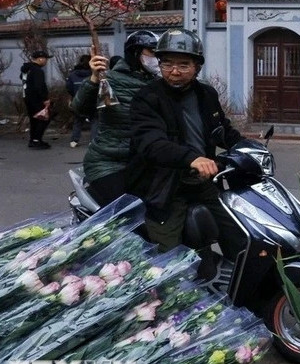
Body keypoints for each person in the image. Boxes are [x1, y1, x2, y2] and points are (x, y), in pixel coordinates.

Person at [127, 28, 246, 264]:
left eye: (183, 65)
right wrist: (191, 158)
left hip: (202, 181)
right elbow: (151, 142)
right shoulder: (147, 97)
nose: (174, 71)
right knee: (168, 260)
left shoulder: (206, 94)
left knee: (239, 236)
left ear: (197, 67)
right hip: (164, 186)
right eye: (167, 64)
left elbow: (221, 130)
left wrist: (246, 147)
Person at [71, 31, 160, 206]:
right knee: (131, 213)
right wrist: (94, 79)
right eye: (152, 52)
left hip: (145, 163)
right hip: (109, 163)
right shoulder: (108, 79)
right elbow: (80, 109)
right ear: (135, 53)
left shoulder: (160, 83)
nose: (158, 58)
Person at [20, 49, 53, 149]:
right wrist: (45, 98)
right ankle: (36, 140)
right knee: (43, 119)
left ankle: (33, 139)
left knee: (34, 119)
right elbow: (39, 86)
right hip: (36, 98)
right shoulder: (37, 71)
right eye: (45, 59)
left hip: (27, 97)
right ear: (40, 59)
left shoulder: (27, 69)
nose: (46, 61)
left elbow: (22, 78)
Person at [66, 54, 92, 148]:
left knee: (78, 121)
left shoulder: (73, 74)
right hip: (91, 101)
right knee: (95, 120)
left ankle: (74, 140)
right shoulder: (93, 74)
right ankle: (93, 141)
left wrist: (72, 98)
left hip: (78, 101)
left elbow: (69, 88)